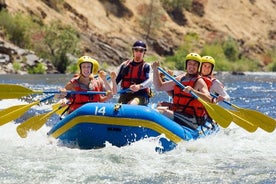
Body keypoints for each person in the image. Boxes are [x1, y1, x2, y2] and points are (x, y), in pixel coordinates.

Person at [152, 53, 213, 130]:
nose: (192, 66)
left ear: (198, 67)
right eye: (190, 63)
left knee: (162, 112)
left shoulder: (199, 81)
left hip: (192, 119)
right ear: (186, 65)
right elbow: (159, 87)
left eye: (195, 64)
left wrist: (193, 91)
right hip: (179, 113)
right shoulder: (180, 78)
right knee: (160, 106)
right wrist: (155, 70)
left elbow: (209, 99)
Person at [113, 40, 152, 105]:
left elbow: (150, 81)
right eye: (136, 50)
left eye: (141, 51)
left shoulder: (146, 66)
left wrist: (139, 86)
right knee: (117, 109)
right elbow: (115, 81)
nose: (138, 53)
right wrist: (111, 85)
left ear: (144, 53)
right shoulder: (125, 65)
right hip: (125, 94)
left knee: (131, 104)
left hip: (141, 95)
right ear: (133, 52)